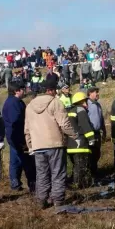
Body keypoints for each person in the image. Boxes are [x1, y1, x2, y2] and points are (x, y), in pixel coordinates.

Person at [25, 77, 79, 208]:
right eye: (55, 90)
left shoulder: (29, 106)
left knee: (42, 174)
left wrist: (30, 145)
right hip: (55, 144)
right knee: (58, 173)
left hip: (38, 146)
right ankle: (58, 200)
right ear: (50, 90)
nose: (56, 92)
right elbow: (64, 124)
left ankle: (41, 200)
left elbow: (27, 129)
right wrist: (74, 135)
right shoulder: (56, 102)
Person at [2, 82, 36, 193]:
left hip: (14, 138)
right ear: (17, 90)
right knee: (27, 161)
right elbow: (16, 123)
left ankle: (15, 183)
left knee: (15, 161)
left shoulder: (16, 102)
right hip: (18, 138)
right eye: (23, 89)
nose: (25, 91)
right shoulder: (13, 104)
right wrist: (23, 141)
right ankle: (32, 184)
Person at [66, 92, 95, 188]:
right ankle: (77, 185)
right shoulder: (80, 110)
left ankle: (77, 183)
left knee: (76, 166)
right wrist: (91, 139)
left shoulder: (70, 111)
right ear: (82, 101)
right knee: (81, 166)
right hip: (80, 144)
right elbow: (85, 126)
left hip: (70, 144)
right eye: (86, 101)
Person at [87, 86, 107, 182]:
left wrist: (104, 130)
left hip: (98, 133)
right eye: (96, 92)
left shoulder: (98, 105)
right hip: (90, 133)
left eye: (98, 92)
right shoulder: (87, 104)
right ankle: (91, 174)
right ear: (90, 93)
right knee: (91, 154)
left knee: (97, 153)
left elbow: (101, 119)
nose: (98, 94)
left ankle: (95, 172)